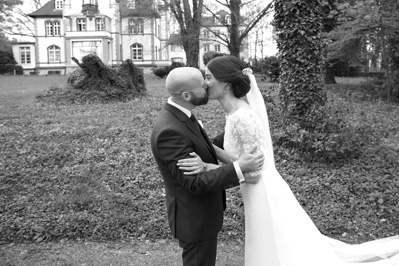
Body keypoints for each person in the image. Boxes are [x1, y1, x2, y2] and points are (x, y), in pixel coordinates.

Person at [177, 56, 399, 266]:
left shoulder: (242, 118)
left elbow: (253, 174)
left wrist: (208, 165)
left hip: (261, 191)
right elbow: (242, 161)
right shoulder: (234, 114)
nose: (204, 83)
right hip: (256, 189)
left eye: (208, 77)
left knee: (277, 245)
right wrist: (209, 145)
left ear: (225, 83)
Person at [150, 67, 264, 266]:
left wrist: (235, 128)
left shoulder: (181, 114)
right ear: (187, 95)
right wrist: (239, 166)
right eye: (202, 85)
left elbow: (203, 146)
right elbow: (195, 184)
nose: (207, 85)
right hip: (194, 220)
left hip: (202, 216)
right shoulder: (170, 131)